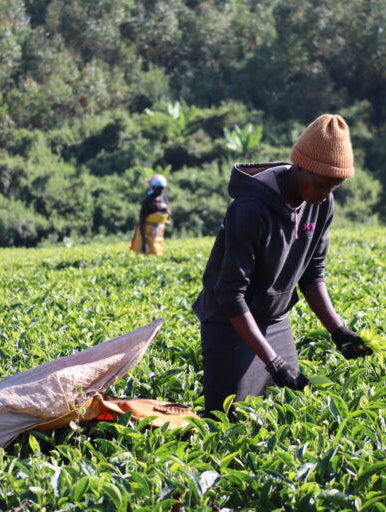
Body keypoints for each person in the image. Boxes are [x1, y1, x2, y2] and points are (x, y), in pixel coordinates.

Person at [192, 114, 372, 417]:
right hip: (231, 324)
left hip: (276, 321)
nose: (327, 194)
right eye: (322, 184)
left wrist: (338, 330)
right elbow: (230, 294)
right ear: (300, 167)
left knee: (285, 415)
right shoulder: (250, 209)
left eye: (335, 186)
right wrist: (273, 363)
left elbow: (312, 274)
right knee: (228, 421)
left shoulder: (321, 204)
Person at [131, 174, 170, 255]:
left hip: (158, 232)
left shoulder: (163, 198)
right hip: (147, 233)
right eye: (158, 189)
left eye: (162, 189)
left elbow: (168, 212)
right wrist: (144, 242)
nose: (160, 191)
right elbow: (142, 221)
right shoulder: (148, 201)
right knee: (148, 253)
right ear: (153, 188)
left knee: (158, 253)